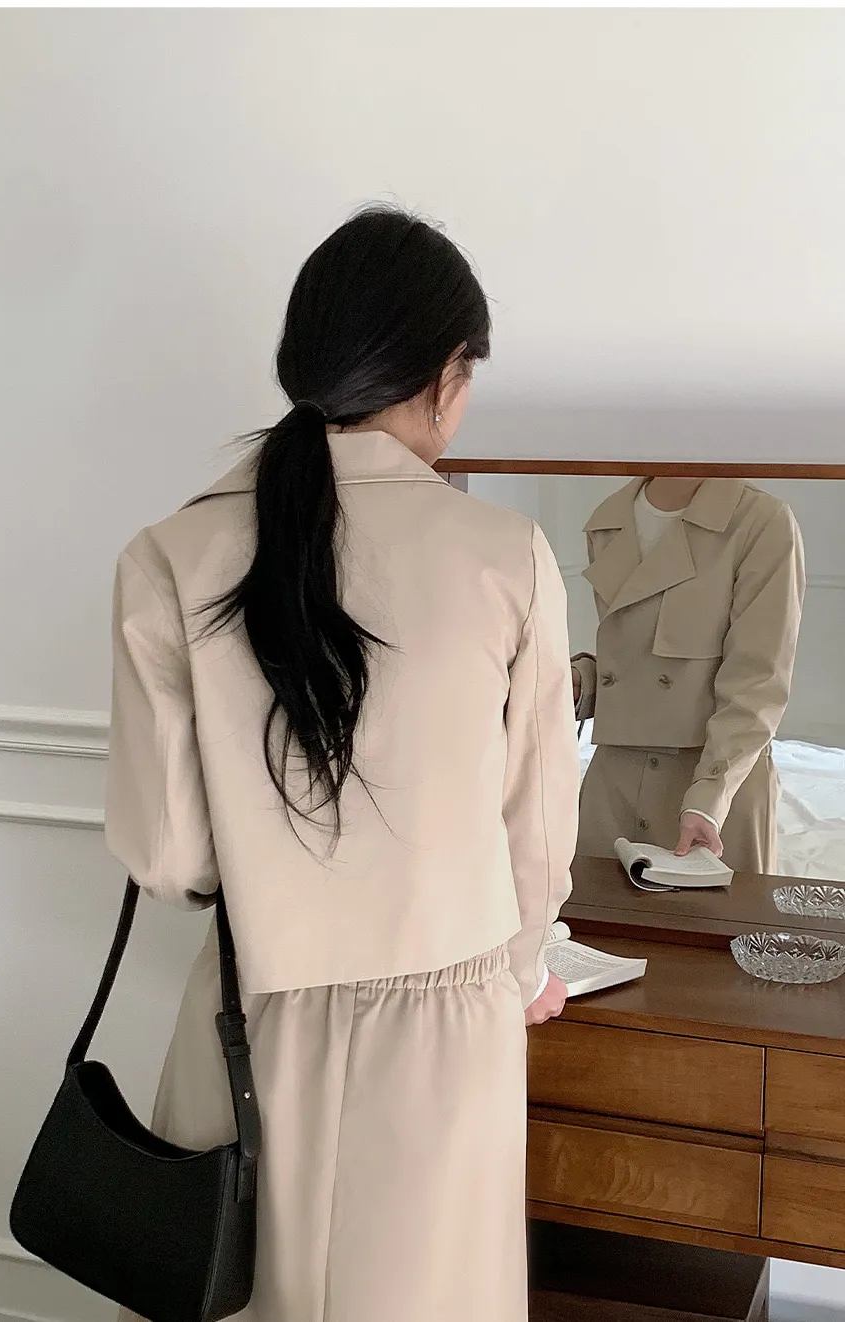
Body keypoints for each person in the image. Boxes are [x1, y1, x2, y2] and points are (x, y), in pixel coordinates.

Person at [104, 207, 579, 1322]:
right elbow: (536, 834)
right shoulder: (505, 557)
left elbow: (169, 857)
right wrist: (519, 973)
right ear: (445, 377)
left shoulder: (170, 552)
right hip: (446, 1048)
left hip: (247, 1020)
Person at [572, 475, 804, 873]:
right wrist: (583, 682)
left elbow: (757, 681)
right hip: (614, 779)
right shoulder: (609, 519)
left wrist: (710, 795)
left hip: (711, 782)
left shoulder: (761, 520)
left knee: (713, 914)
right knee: (595, 912)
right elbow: (638, 657)